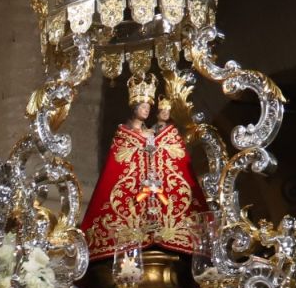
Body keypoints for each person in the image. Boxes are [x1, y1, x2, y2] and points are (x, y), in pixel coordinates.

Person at [77, 73, 207, 265]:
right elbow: (117, 169)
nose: (146, 111)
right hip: (136, 204)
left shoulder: (153, 133)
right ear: (135, 108)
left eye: (148, 107)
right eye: (143, 107)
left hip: (159, 198)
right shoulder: (124, 136)